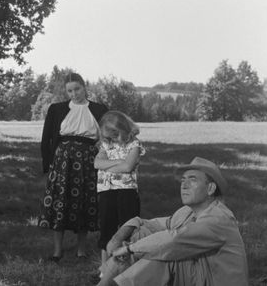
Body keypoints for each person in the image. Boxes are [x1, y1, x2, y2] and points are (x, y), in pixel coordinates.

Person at [97, 157, 249, 286]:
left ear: (210, 188)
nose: (184, 185)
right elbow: (150, 224)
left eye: (192, 180)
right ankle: (105, 281)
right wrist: (119, 237)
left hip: (215, 281)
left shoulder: (218, 218)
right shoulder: (187, 212)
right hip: (199, 277)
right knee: (140, 233)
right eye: (183, 180)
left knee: (165, 255)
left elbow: (174, 241)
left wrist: (130, 249)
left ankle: (118, 282)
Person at [38, 72, 108, 262]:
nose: (74, 94)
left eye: (77, 89)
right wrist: (48, 165)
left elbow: (108, 136)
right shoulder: (57, 109)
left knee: (84, 202)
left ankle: (81, 250)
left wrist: (101, 149)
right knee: (60, 201)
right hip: (62, 161)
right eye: (70, 91)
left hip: (88, 161)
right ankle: (57, 251)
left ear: (84, 87)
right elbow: (46, 139)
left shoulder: (100, 109)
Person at [94, 111, 145, 271]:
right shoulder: (105, 144)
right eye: (109, 135)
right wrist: (118, 162)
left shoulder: (134, 145)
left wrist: (108, 163)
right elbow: (97, 163)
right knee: (106, 227)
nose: (112, 138)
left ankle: (128, 267)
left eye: (115, 134)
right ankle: (105, 268)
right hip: (105, 190)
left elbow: (128, 166)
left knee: (127, 227)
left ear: (123, 129)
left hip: (127, 191)